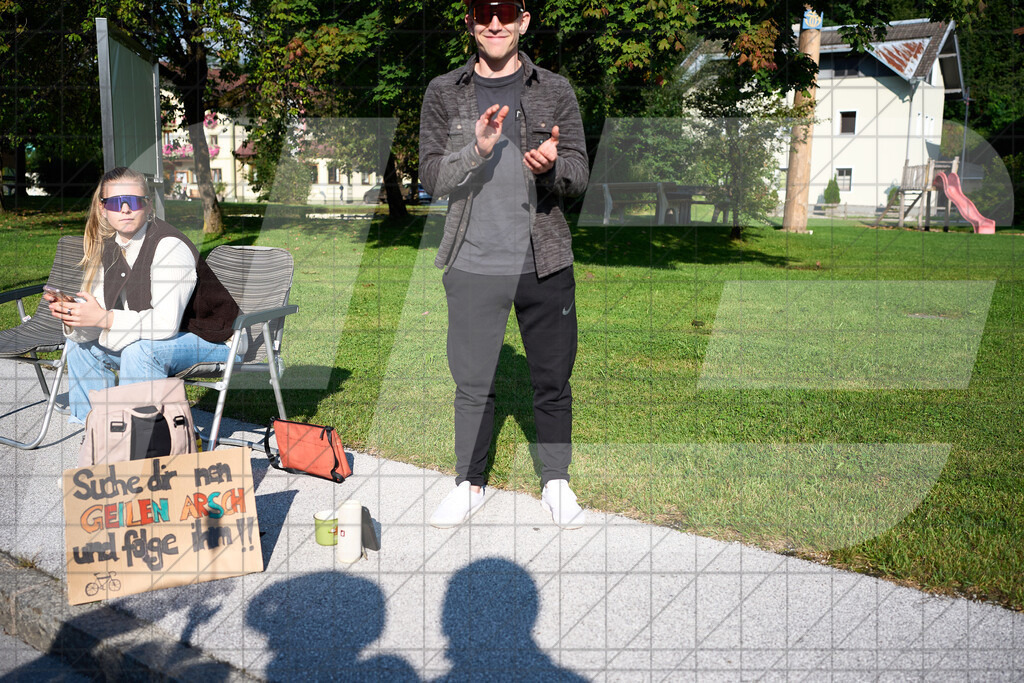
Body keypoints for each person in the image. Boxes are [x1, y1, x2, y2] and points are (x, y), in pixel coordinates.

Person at [419, 0, 589, 528]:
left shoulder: (556, 90)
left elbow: (579, 174)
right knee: (472, 383)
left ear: (523, 21)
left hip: (544, 259)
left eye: (506, 12)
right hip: (472, 260)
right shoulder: (443, 92)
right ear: (470, 22)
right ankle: (469, 483)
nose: (494, 24)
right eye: (482, 13)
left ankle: (556, 482)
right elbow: (430, 176)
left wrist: (551, 166)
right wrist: (475, 149)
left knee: (552, 378)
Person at [46, 166, 242, 423]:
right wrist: (77, 317)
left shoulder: (169, 246)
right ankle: (95, 430)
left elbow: (165, 324)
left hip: (215, 339)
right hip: (162, 337)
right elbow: (101, 315)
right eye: (116, 203)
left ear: (148, 206)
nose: (125, 209)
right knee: (79, 343)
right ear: (103, 210)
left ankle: (136, 439)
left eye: (134, 201)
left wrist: (104, 319)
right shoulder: (112, 248)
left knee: (140, 352)